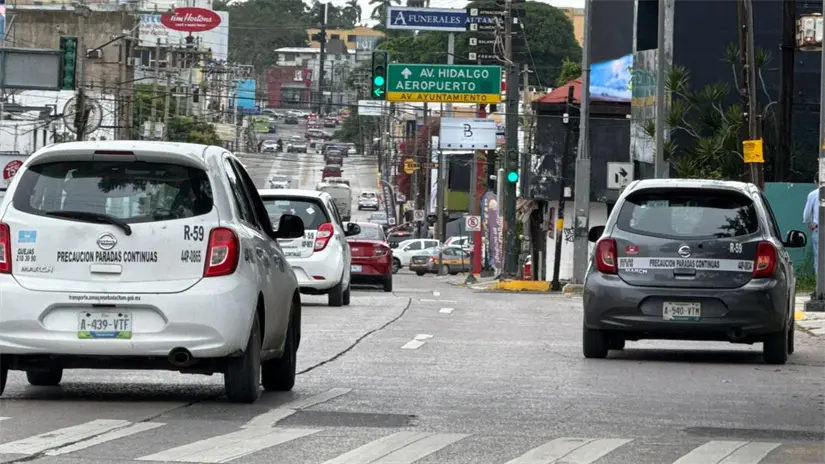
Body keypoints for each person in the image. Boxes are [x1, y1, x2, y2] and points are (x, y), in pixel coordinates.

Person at [804, 174, 820, 290]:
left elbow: (807, 214)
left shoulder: (814, 194)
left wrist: (810, 224)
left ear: (816, 181)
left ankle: (819, 287)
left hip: (818, 230)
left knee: (818, 259)